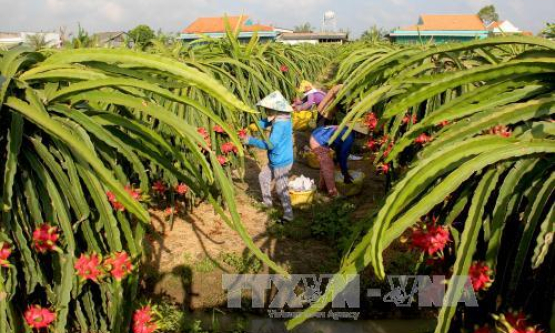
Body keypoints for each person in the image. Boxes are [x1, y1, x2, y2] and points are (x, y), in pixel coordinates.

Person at [244, 91, 294, 222]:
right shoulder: (283, 117)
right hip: (276, 159)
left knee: (281, 188)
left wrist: (251, 140)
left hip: (281, 162)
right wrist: (255, 125)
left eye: (268, 111)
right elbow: (266, 122)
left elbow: (270, 145)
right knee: (263, 176)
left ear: (275, 111)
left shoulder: (280, 125)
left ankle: (289, 216)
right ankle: (267, 203)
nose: (267, 113)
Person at [309, 122, 368, 197]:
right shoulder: (349, 137)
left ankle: (322, 187)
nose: (363, 137)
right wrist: (345, 173)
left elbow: (338, 147)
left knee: (326, 165)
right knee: (328, 167)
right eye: (363, 135)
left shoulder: (346, 129)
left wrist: (337, 160)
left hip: (317, 135)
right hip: (319, 142)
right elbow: (343, 156)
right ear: (359, 133)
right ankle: (332, 192)